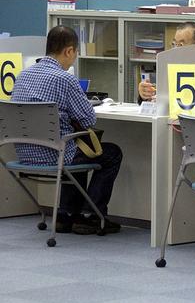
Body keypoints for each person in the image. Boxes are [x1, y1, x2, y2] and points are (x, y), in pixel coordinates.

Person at [11, 25, 123, 235]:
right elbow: (88, 118)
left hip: (25, 154)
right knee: (110, 153)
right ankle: (92, 216)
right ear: (69, 51)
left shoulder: (23, 76)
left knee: (72, 145)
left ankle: (66, 215)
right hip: (56, 155)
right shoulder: (65, 79)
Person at [137, 21, 195, 102]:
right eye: (174, 44)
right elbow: (160, 101)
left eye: (180, 45)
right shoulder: (170, 71)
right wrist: (145, 96)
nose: (175, 50)